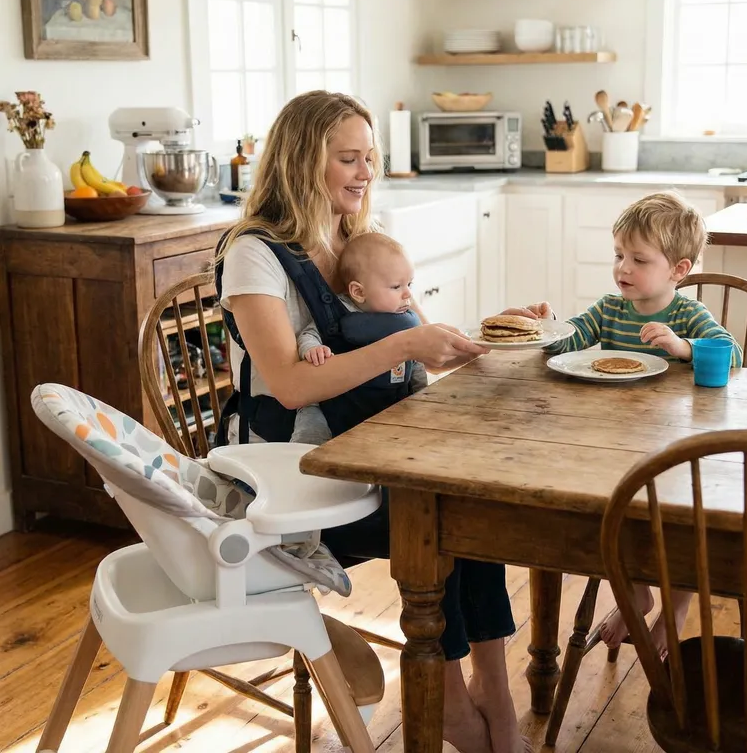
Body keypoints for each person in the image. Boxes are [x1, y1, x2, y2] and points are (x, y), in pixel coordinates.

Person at [215, 90, 527, 753]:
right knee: (443, 518)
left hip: (369, 456)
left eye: (369, 158)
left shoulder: (356, 239)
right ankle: (451, 708)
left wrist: (488, 336)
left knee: (473, 500)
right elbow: (295, 385)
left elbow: (398, 366)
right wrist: (406, 344)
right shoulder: (254, 254)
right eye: (348, 159)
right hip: (288, 483)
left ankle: (495, 696)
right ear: (303, 163)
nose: (364, 173)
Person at [504, 191, 743, 657]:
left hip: (674, 446)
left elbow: (732, 353)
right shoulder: (610, 309)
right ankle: (633, 590)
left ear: (678, 270)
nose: (623, 269)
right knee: (603, 514)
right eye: (618, 255)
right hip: (612, 443)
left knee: (681, 523)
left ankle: (673, 610)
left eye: (639, 259)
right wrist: (546, 326)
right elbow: (567, 342)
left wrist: (681, 346)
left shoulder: (686, 314)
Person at [291, 232, 428, 445]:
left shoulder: (406, 319)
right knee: (310, 429)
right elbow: (309, 334)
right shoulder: (340, 312)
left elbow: (416, 362)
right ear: (358, 291)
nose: (407, 294)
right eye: (396, 287)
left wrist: (422, 395)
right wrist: (312, 349)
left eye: (410, 284)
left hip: (387, 407)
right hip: (335, 408)